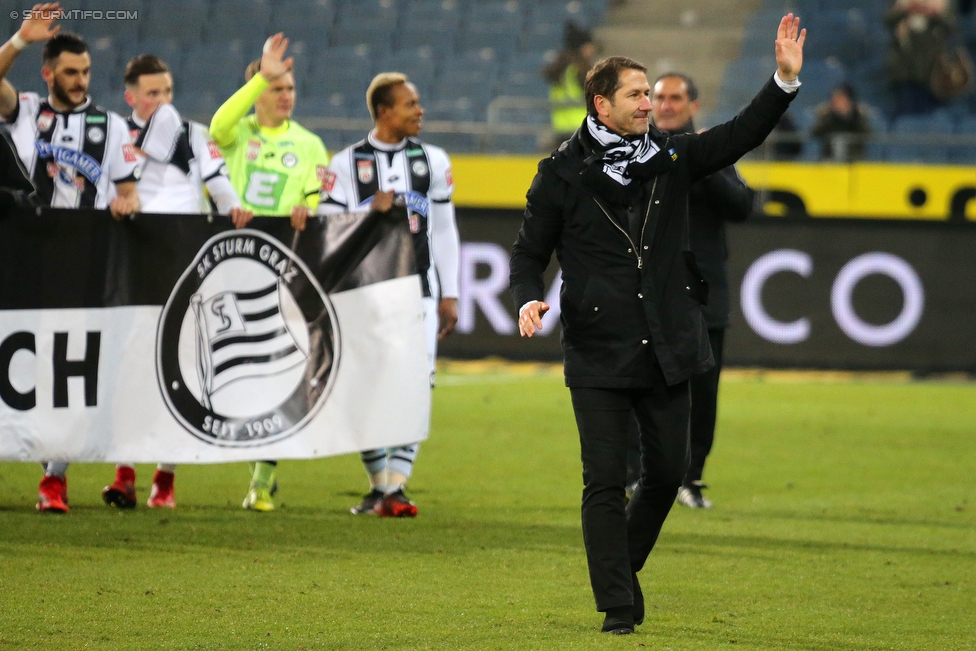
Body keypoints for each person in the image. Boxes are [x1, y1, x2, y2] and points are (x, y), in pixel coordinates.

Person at [510, 15, 805, 635]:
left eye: (650, 94)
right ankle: (618, 606)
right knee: (603, 482)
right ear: (602, 104)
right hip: (597, 348)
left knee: (668, 474)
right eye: (637, 95)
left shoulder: (671, 158)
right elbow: (529, 254)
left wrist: (782, 80)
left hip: (670, 343)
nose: (650, 105)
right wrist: (527, 298)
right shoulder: (559, 173)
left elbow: (739, 136)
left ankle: (622, 569)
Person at [0, 4, 141, 513]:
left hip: (80, 262)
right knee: (19, 365)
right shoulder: (26, 110)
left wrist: (127, 201)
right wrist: (19, 39)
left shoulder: (113, 128)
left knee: (66, 368)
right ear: (48, 72)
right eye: (70, 72)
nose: (81, 81)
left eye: (85, 72)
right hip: (19, 257)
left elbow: (127, 191)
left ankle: (53, 479)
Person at [99, 54, 253, 510]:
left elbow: (218, 182)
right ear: (131, 97)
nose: (162, 101)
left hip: (184, 263)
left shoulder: (194, 135)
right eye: (152, 93)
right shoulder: (114, 136)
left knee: (179, 370)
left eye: (167, 92)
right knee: (129, 371)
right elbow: (104, 191)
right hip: (132, 262)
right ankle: (123, 473)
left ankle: (164, 479)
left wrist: (235, 207)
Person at [314, 72, 460, 518]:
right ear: (383, 111)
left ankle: (396, 487)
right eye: (410, 104)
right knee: (362, 388)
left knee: (416, 386)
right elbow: (327, 233)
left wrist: (449, 293)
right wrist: (366, 211)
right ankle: (378, 486)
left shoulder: (432, 160)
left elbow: (445, 229)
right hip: (362, 294)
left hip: (418, 290)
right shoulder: (343, 165)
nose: (420, 111)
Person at [209, 33, 329, 512]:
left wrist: (306, 208)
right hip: (228, 267)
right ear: (259, 92)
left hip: (283, 271)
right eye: (278, 88)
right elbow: (218, 126)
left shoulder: (310, 144)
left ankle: (262, 478)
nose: (286, 96)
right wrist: (262, 75)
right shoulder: (240, 137)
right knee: (233, 377)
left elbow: (319, 201)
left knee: (277, 372)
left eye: (291, 88)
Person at [649, 72, 755, 510]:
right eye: (660, 97)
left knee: (703, 390)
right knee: (645, 385)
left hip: (704, 292)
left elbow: (743, 206)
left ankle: (690, 478)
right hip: (650, 292)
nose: (667, 105)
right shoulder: (633, 152)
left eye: (676, 98)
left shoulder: (711, 151)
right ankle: (645, 476)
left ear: (693, 106)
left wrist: (702, 165)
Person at [885, 0, 954, 116]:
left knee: (936, 117)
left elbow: (950, 26)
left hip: (935, 74)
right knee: (907, 118)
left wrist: (933, 14)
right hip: (905, 75)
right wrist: (906, 10)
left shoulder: (939, 6)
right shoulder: (901, 6)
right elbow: (888, 20)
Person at [543, 22, 598, 146]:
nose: (592, 49)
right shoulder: (580, 71)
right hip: (582, 131)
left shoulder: (560, 70)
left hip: (561, 130)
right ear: (581, 48)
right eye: (589, 46)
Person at [810, 83, 873, 162]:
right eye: (834, 99)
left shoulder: (857, 116)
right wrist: (825, 116)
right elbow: (814, 133)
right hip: (829, 158)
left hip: (854, 158)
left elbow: (867, 134)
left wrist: (851, 115)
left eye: (841, 99)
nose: (837, 102)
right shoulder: (827, 116)